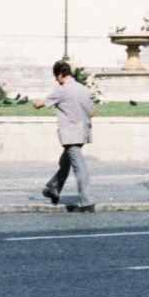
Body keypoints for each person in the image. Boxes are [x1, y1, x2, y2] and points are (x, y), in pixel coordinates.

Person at [33, 60, 94, 211]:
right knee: (65, 163)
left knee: (79, 167)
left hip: (70, 134)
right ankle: (53, 189)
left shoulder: (61, 90)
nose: (56, 80)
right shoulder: (85, 89)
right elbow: (92, 112)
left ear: (61, 74)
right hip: (83, 132)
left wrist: (34, 102)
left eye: (56, 76)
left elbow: (40, 105)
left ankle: (88, 202)